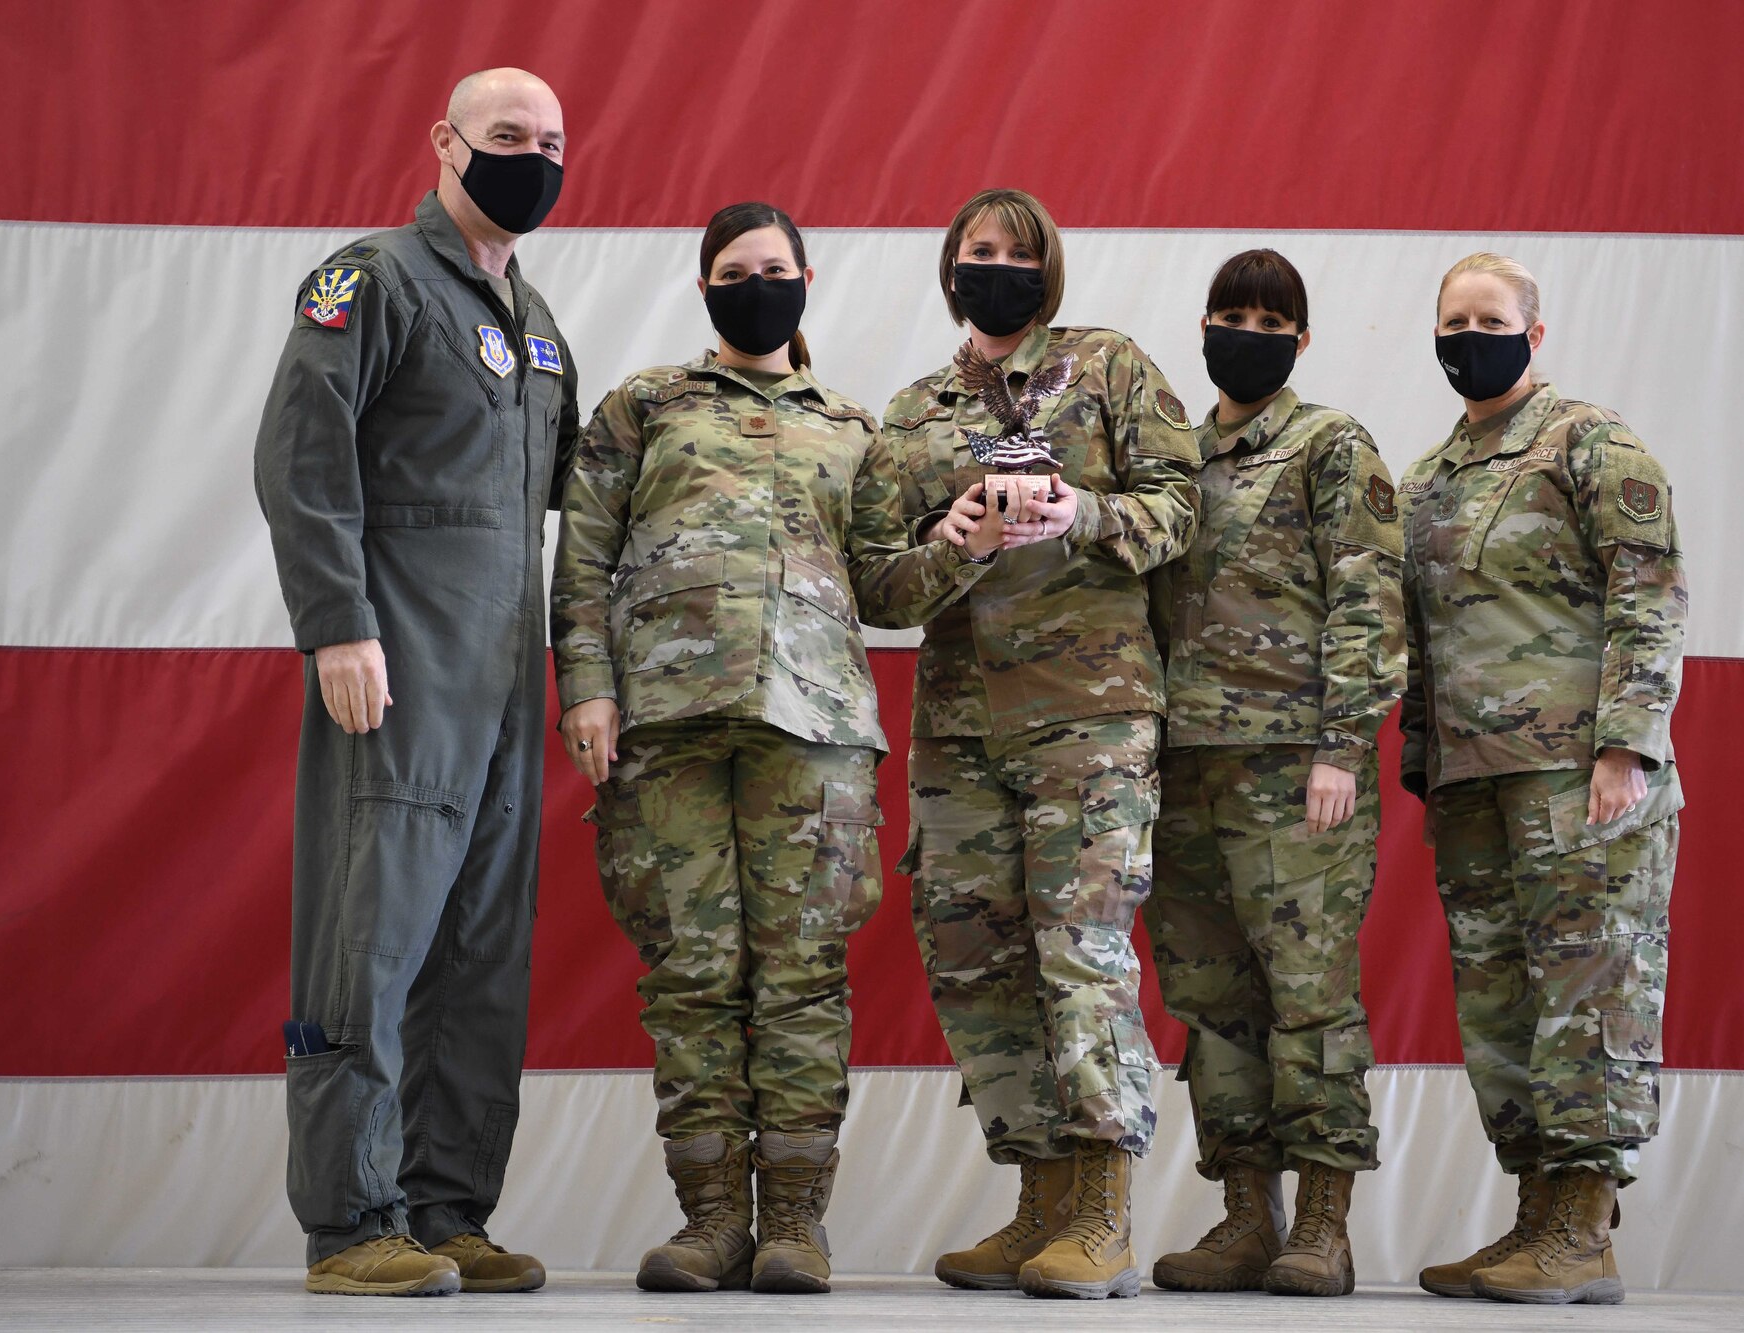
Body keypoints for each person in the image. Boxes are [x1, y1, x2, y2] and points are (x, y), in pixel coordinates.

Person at [552, 202, 994, 1296]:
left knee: (800, 977)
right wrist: (588, 691)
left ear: (808, 277)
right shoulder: (642, 406)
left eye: (774, 268)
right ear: (705, 289)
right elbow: (583, 560)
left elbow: (884, 588)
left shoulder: (851, 426)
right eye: (734, 271)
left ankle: (794, 1219)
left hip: (816, 732)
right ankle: (710, 1221)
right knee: (694, 976)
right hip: (664, 728)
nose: (756, 283)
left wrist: (958, 544)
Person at [252, 68, 577, 1296]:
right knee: (369, 943)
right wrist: (337, 622)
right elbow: (301, 450)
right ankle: (352, 1220)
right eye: (507, 136)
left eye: (551, 142)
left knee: (481, 952)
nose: (532, 158)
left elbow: (563, 511)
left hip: (503, 684)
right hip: (396, 673)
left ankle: (446, 1208)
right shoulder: (372, 280)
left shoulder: (537, 322)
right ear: (444, 142)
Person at [883, 187, 1201, 1300]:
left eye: (1017, 252)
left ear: (1048, 266)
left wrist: (1088, 517)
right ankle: (1038, 1200)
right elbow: (878, 577)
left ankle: (1103, 1210)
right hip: (962, 729)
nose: (997, 266)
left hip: (1090, 714)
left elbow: (1181, 504)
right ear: (949, 266)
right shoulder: (915, 411)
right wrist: (952, 539)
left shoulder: (1107, 366)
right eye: (977, 250)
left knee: (1081, 953)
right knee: (978, 963)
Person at [1401, 253, 1688, 1305]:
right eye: (1451, 319)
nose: (1467, 335)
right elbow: (1421, 641)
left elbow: (1648, 592)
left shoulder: (1586, 442)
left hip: (1578, 774)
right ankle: (1534, 1218)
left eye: (1488, 317)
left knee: (1587, 993)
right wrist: (1422, 766)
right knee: (1503, 1005)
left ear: (1534, 331)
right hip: (1473, 785)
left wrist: (1626, 743)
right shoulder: (1426, 480)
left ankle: (1581, 1230)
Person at [1144, 250, 1405, 1296]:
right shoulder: (1168, 457)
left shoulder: (1328, 444)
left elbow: (1367, 598)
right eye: (1228, 313)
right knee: (1210, 1000)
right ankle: (1246, 1214)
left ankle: (1324, 1225)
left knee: (1305, 997)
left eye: (1267, 317)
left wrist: (1342, 746)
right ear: (1201, 324)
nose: (1244, 331)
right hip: (1181, 769)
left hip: (1294, 769)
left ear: (1298, 339)